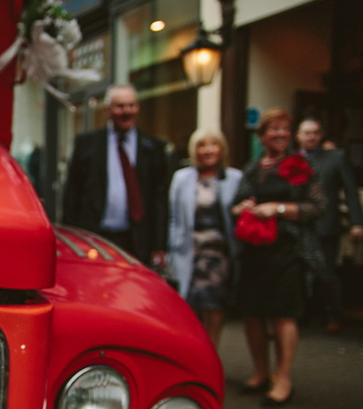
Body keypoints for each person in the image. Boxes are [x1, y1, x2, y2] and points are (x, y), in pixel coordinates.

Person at [231, 109, 325, 407]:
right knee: (253, 312)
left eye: (285, 129)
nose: (280, 134)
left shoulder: (301, 164)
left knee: (283, 313)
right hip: (255, 250)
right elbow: (235, 204)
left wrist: (279, 209)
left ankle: (283, 378)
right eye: (273, 129)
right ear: (262, 136)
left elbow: (316, 207)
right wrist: (241, 207)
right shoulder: (252, 167)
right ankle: (261, 373)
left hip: (287, 250)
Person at [63, 84, 174, 266]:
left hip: (136, 241)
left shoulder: (153, 148)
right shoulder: (87, 144)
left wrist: (160, 245)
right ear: (107, 110)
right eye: (120, 106)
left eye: (131, 105)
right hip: (94, 239)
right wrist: (72, 238)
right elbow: (72, 194)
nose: (126, 111)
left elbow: (159, 201)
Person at [167, 129, 242, 348]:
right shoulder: (181, 178)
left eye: (213, 145)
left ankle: (211, 353)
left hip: (218, 255)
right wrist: (171, 251)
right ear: (194, 150)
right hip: (189, 251)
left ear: (222, 149)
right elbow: (173, 218)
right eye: (202, 145)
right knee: (188, 306)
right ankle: (191, 354)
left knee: (214, 305)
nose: (208, 150)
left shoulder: (235, 178)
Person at [295, 117, 363, 333]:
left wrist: (357, 222)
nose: (311, 136)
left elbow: (351, 191)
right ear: (298, 136)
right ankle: (299, 316)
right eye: (306, 132)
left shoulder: (336, 158)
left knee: (326, 274)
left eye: (315, 132)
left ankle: (333, 315)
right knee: (297, 274)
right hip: (297, 224)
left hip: (325, 225)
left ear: (321, 135)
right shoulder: (291, 159)